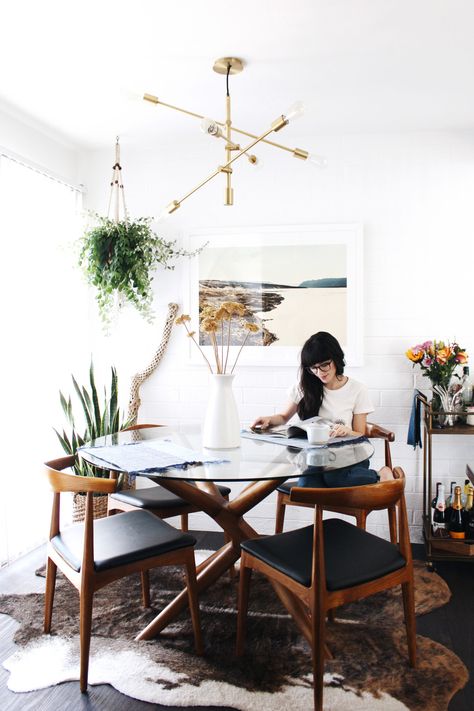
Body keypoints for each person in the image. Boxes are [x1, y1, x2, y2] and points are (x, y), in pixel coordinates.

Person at [251, 331, 393, 487]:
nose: (319, 373)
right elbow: (284, 417)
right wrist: (269, 420)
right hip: (317, 458)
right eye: (314, 368)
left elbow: (360, 433)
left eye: (324, 365)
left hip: (350, 455)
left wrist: (346, 430)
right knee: (306, 486)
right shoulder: (305, 388)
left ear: (336, 358)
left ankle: (380, 474)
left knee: (335, 478)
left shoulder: (357, 390)